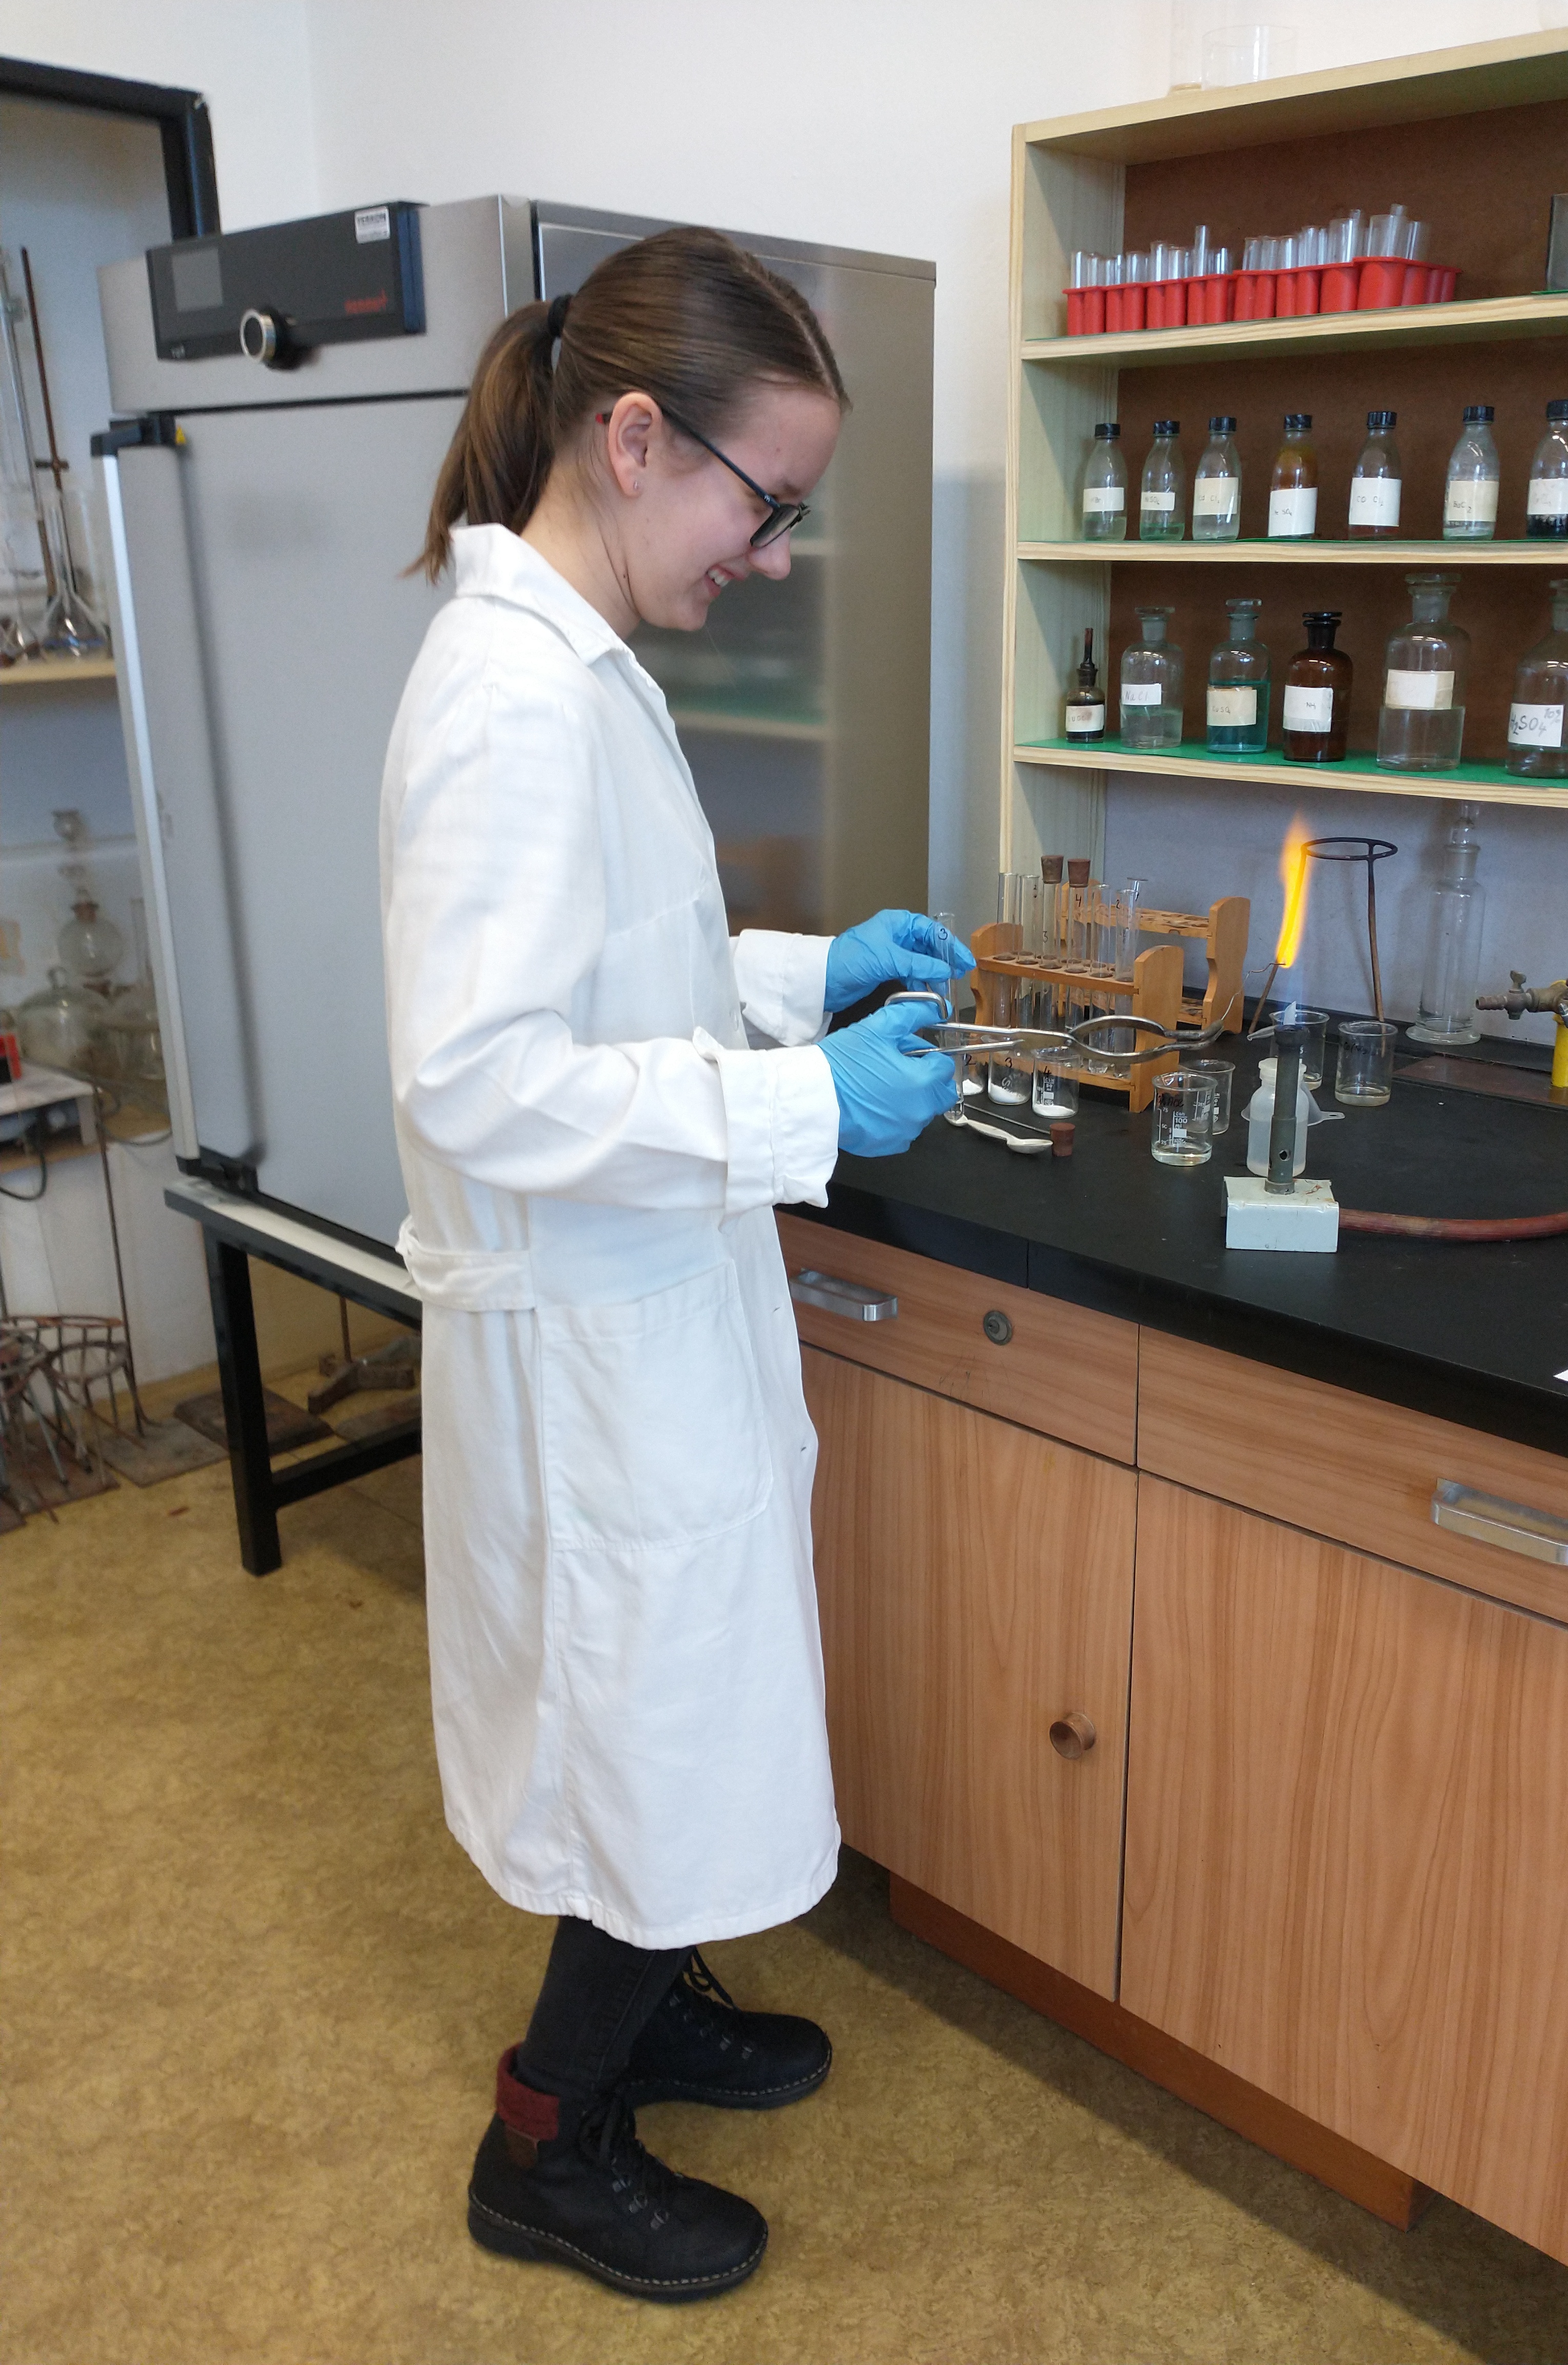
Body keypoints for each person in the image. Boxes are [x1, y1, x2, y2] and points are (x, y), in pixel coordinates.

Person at [379, 226, 969, 2306]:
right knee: (645, 1724)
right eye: (766, 501)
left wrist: (807, 984)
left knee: (679, 1718)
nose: (774, 556)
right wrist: (802, 1110)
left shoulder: (580, 664)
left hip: (649, 1310)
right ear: (634, 441)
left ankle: (655, 1996)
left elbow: (629, 970)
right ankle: (548, 2135)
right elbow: (480, 1074)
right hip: (590, 1353)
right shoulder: (509, 700)